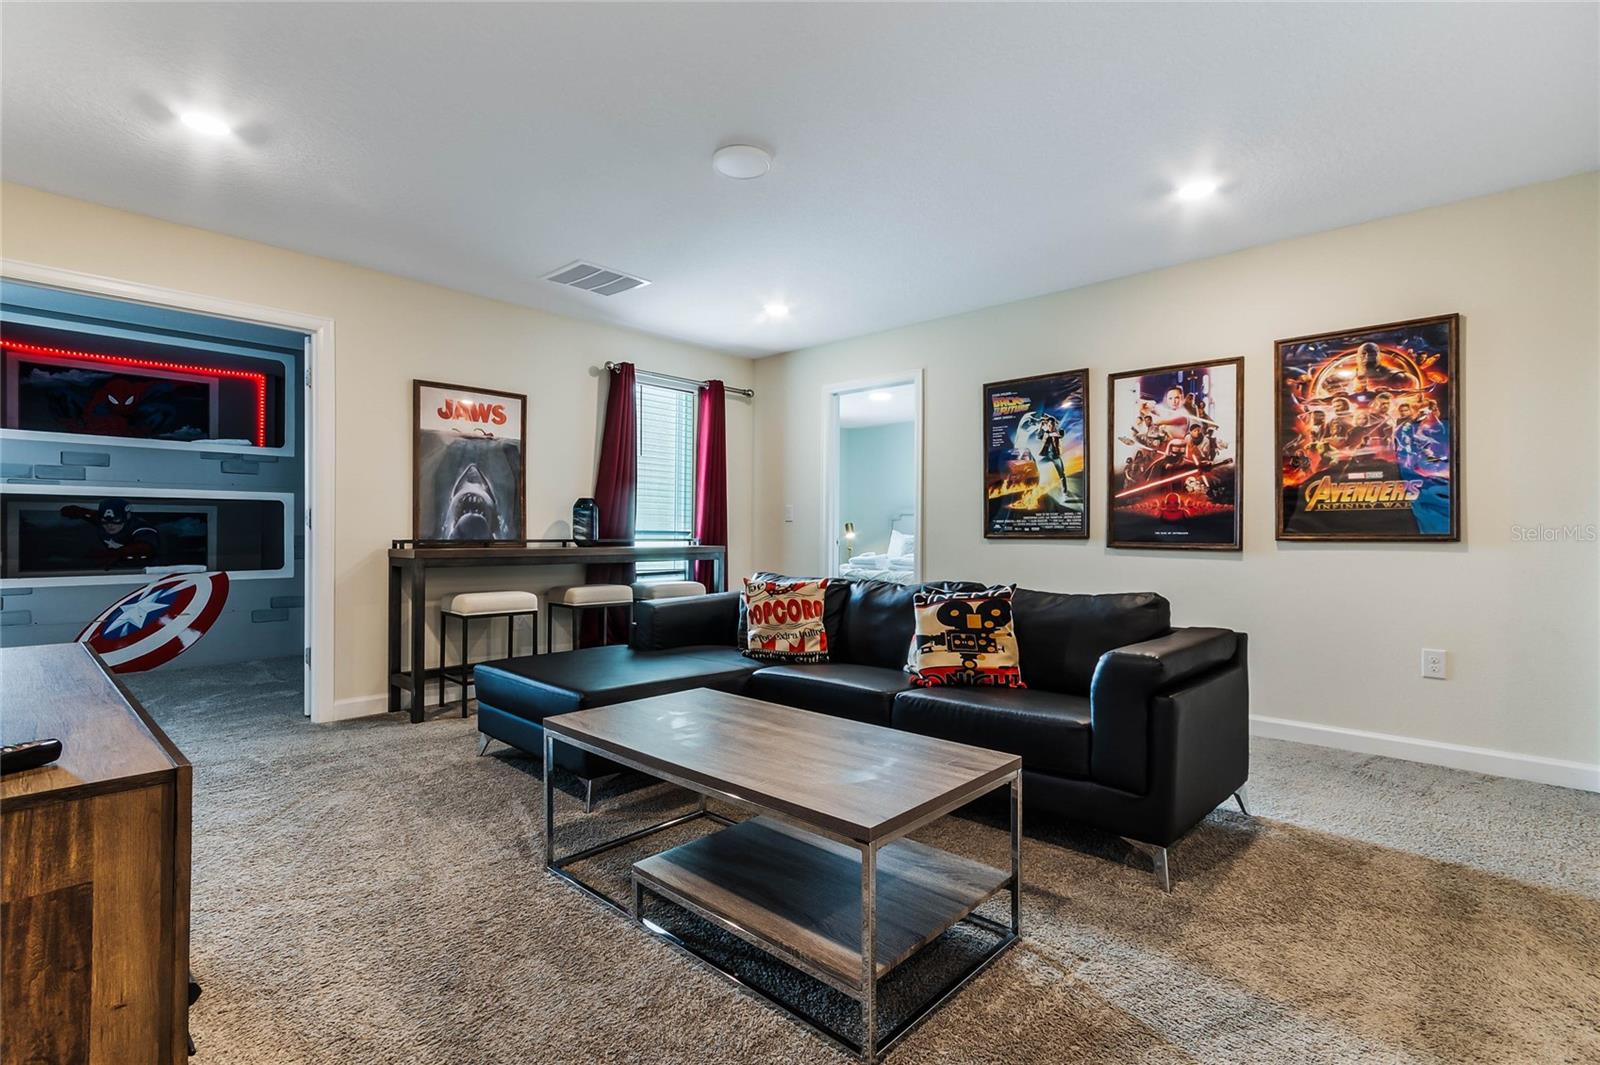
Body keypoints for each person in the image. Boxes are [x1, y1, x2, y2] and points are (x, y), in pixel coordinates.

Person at [59, 497, 159, 568]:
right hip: (115, 564)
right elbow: (90, 515)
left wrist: (116, 553)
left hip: (143, 568)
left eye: (116, 520)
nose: (110, 525)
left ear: (127, 517)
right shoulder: (102, 520)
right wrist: (78, 511)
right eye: (105, 521)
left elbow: (145, 547)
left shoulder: (140, 528)